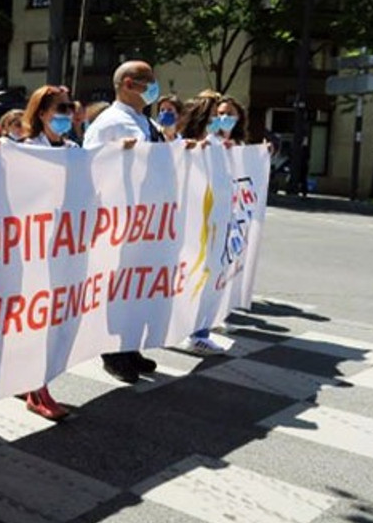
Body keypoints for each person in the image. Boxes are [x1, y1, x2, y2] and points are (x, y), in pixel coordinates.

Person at [81, 61, 164, 384]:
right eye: (149, 81)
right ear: (129, 83)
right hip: (119, 220)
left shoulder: (145, 120)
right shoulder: (110, 123)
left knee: (135, 287)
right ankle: (112, 352)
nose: (154, 87)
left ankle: (130, 346)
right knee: (116, 289)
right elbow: (90, 169)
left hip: (146, 219)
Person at [12, 85, 81, 421]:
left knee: (57, 320)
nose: (67, 114)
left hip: (66, 249)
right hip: (35, 251)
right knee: (37, 322)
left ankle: (32, 382)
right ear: (41, 113)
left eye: (70, 108)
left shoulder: (75, 150)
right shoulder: (25, 150)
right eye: (60, 108)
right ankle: (36, 390)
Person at [177, 93, 248, 355]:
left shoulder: (221, 145)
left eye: (227, 115)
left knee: (208, 274)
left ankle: (201, 328)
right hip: (198, 222)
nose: (221, 120)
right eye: (215, 116)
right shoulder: (191, 146)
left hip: (215, 221)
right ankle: (194, 332)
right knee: (197, 275)